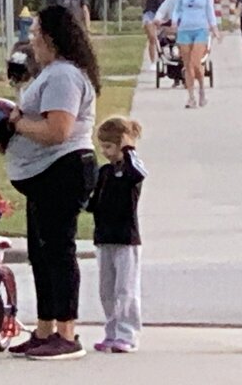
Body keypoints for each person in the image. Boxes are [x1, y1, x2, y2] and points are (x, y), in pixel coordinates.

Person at [3, 4, 100, 360]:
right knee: (40, 254)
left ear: (51, 37)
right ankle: (43, 330)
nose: (31, 36)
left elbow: (58, 130)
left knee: (59, 251)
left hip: (64, 169)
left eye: (35, 30)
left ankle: (66, 333)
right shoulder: (48, 73)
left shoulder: (64, 76)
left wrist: (16, 124)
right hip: (41, 175)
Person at [88, 117, 147, 354]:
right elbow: (94, 202)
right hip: (104, 237)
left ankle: (128, 334)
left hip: (126, 239)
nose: (105, 152)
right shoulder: (104, 172)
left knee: (126, 290)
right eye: (102, 146)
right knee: (107, 290)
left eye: (109, 147)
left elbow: (138, 173)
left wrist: (128, 148)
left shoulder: (132, 169)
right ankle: (111, 332)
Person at [172, 0, 220, 108]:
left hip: (200, 29)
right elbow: (177, 9)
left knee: (196, 63)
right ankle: (191, 97)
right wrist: (174, 22)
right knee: (187, 66)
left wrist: (214, 28)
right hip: (184, 29)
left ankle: (202, 91)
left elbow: (209, 10)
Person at [141, 0, 167, 70]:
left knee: (161, 39)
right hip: (149, 14)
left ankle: (162, 56)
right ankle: (152, 62)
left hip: (159, 15)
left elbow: (163, 3)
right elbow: (143, 5)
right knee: (152, 37)